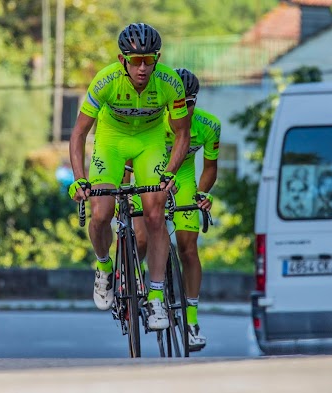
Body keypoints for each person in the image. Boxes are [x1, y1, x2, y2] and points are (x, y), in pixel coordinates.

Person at [68, 23, 191, 331]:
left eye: (148, 60)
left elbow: (182, 135)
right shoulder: (105, 80)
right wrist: (80, 179)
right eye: (135, 60)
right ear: (121, 60)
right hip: (111, 141)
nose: (142, 68)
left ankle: (156, 297)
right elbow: (79, 134)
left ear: (157, 59)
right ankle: (104, 267)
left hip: (149, 142)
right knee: (101, 212)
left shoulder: (170, 83)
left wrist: (169, 174)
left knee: (154, 214)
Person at [127, 68, 219, 351]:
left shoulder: (209, 126)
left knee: (188, 248)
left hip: (183, 177)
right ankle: (137, 284)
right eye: (177, 103)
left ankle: (191, 322)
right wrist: (128, 192)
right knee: (142, 237)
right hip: (150, 173)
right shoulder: (151, 120)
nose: (181, 110)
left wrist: (202, 194)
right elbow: (130, 159)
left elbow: (210, 168)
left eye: (188, 104)